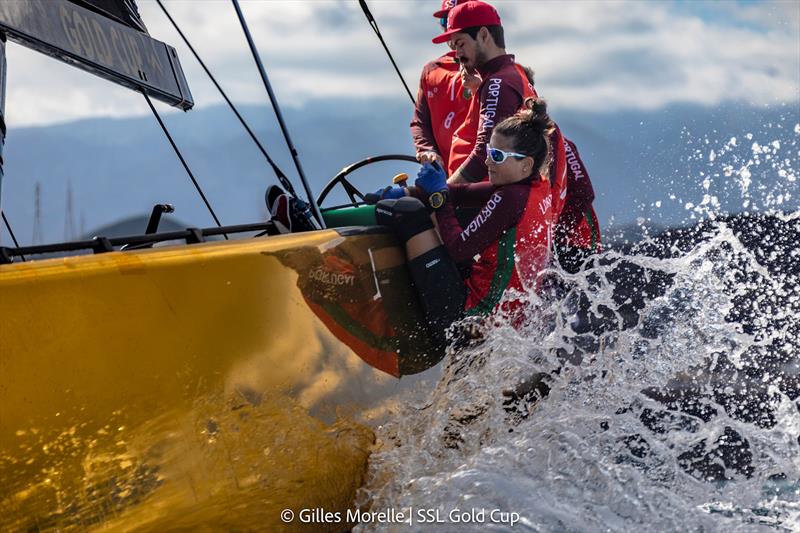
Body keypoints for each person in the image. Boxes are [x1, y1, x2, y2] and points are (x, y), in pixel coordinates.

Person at [376, 98, 565, 342]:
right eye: (488, 151)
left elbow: (457, 249)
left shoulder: (511, 198)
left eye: (496, 155)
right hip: (504, 320)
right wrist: (412, 191)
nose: (487, 161)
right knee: (409, 202)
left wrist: (435, 197)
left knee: (406, 213)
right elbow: (463, 193)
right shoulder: (534, 187)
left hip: (468, 320)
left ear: (525, 164)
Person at [431, 1, 537, 184]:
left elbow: (484, 155)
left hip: (482, 201)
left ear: (483, 35)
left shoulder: (498, 83)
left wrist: (442, 193)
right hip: (484, 197)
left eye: (461, 43)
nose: (457, 53)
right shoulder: (508, 75)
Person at [410, 0, 477, 170]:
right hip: (446, 180)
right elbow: (420, 122)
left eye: (457, 21)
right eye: (446, 21)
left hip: (486, 180)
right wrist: (427, 150)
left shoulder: (498, 71)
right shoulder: (431, 71)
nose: (450, 28)